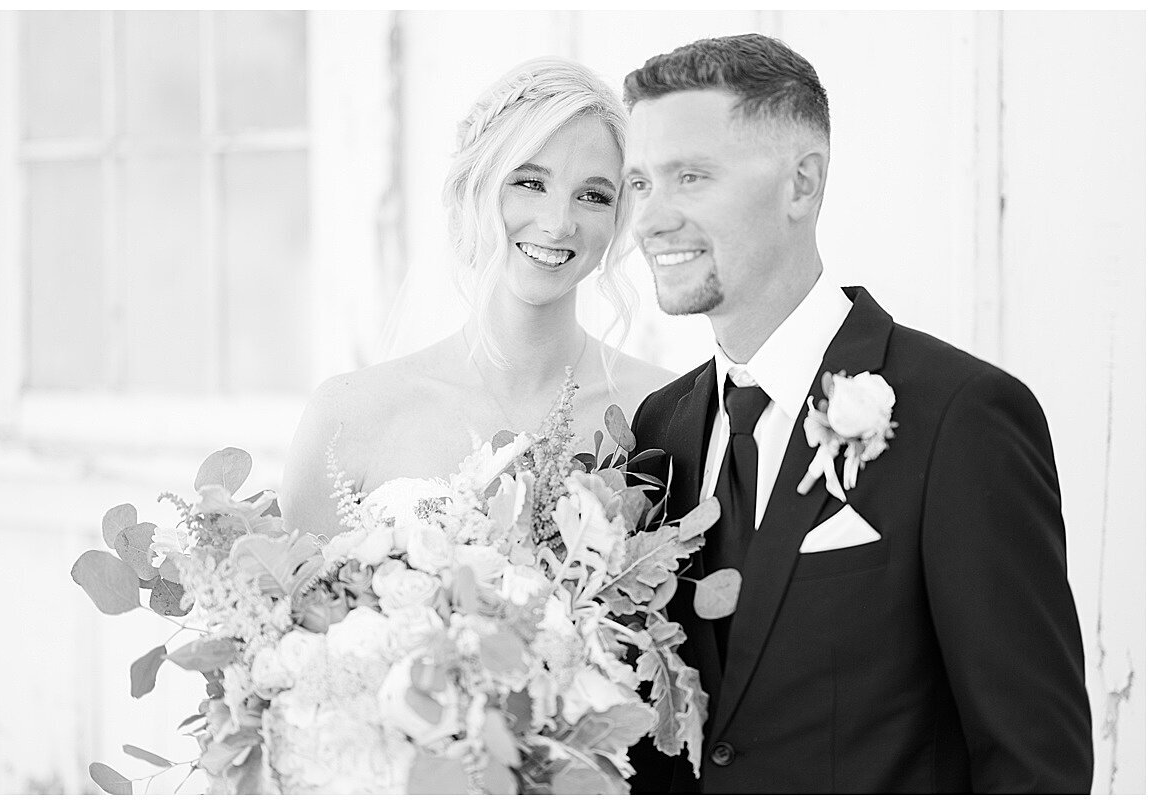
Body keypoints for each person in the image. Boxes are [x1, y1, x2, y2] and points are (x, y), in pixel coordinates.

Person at [621, 34, 1093, 793]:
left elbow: (1035, 763)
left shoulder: (960, 418)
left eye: (691, 176)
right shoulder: (659, 428)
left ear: (801, 183)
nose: (649, 218)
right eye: (640, 183)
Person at [282, 57, 672, 538]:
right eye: (530, 183)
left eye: (593, 196)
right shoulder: (346, 418)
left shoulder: (668, 414)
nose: (558, 223)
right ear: (473, 189)